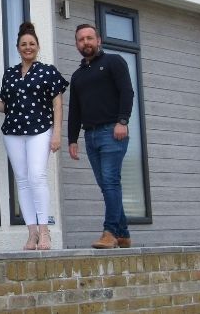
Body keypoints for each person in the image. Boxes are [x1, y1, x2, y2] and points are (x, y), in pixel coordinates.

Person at [0, 22, 68, 250]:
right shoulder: (10, 74)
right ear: (18, 47)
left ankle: (44, 232)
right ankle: (31, 233)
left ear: (38, 46)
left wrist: (57, 133)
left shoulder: (48, 71)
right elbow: (4, 107)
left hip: (40, 129)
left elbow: (58, 105)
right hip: (13, 131)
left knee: (37, 177)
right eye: (23, 44)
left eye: (31, 43)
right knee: (22, 181)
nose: (28, 47)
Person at [67, 23, 134, 249]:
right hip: (91, 136)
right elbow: (74, 109)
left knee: (110, 182)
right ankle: (123, 234)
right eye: (81, 39)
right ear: (77, 44)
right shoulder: (77, 76)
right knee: (107, 185)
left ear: (98, 41)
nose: (85, 42)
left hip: (112, 132)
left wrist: (122, 121)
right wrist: (72, 139)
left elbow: (127, 91)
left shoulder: (113, 61)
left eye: (89, 38)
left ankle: (110, 232)